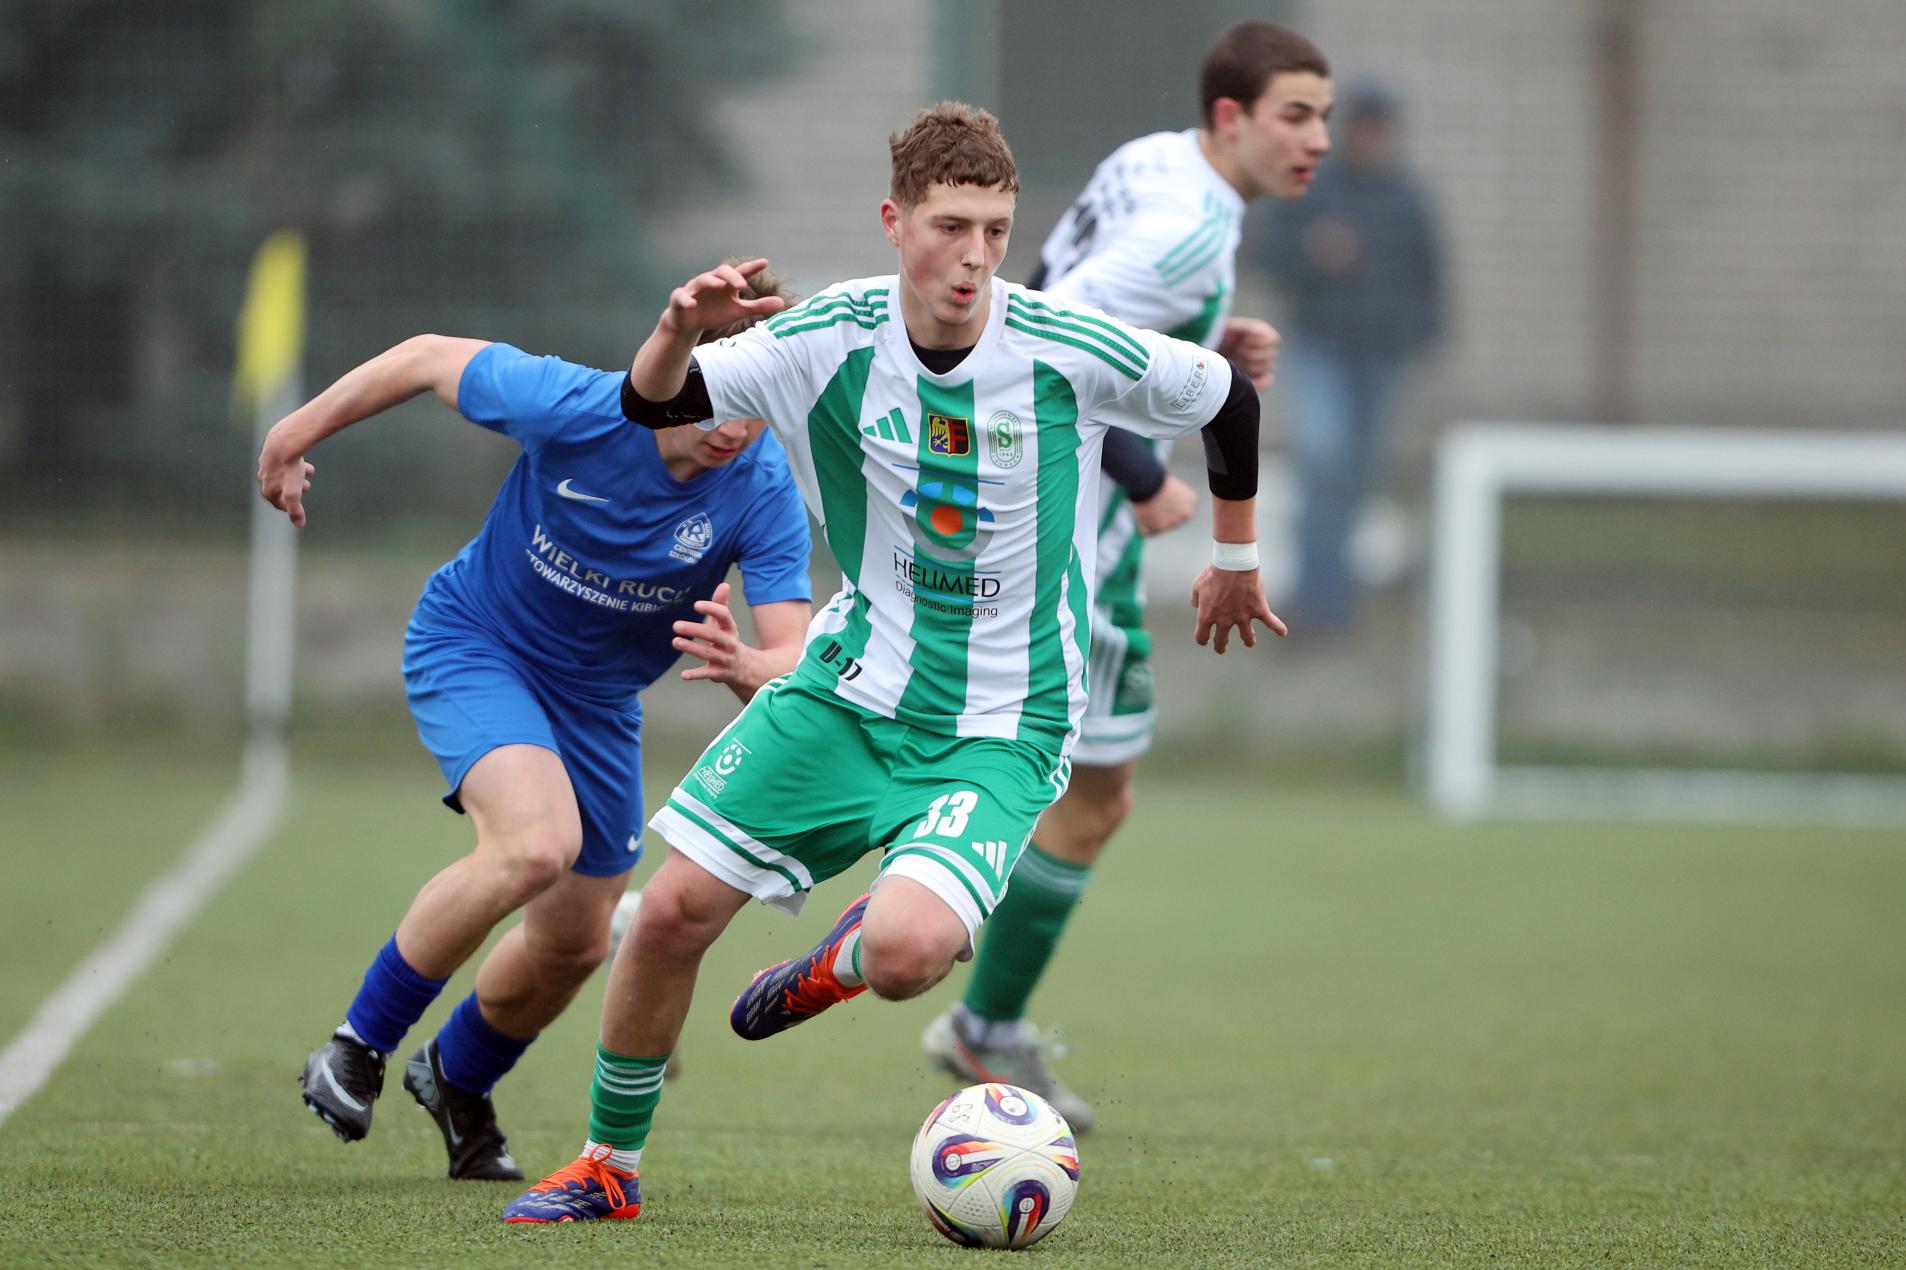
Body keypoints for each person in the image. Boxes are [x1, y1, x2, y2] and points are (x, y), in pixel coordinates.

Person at [501, 101, 1282, 1225]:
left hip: (1005, 722)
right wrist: (678, 325)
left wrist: (1235, 560)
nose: (974, 258)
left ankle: (836, 964)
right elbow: (654, 403)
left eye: (995, 231)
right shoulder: (828, 336)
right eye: (950, 227)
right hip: (849, 689)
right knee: (667, 911)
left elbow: (1227, 398)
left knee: (909, 955)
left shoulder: (1062, 344)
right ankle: (606, 1167)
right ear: (894, 221)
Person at [254, 275, 814, 1182]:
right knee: (533, 845)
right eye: (723, 392)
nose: (735, 426)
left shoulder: (761, 490)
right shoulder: (582, 407)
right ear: (687, 365)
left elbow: (792, 659)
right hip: (480, 645)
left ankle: (456, 1076)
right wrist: (293, 433)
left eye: (758, 404)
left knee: (577, 941)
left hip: (599, 704)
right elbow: (426, 356)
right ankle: (356, 1047)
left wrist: (749, 665)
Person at [919, 20, 1333, 1133]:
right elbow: (1044, 336)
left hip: (1041, 517)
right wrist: (1146, 471)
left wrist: (1204, 338)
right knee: (1081, 791)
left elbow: (1053, 291)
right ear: (1232, 116)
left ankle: (965, 996)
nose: (1319, 140)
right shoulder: (1185, 230)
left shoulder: (1160, 163)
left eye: (1325, 117)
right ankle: (957, 997)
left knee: (1072, 783)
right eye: (1297, 116)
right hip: (1075, 539)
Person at [1258, 82, 1443, 630]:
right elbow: (1266, 252)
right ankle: (1312, 600)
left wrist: (1419, 341)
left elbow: (1430, 279)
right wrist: (1312, 251)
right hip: (1323, 350)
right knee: (1324, 462)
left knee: (1356, 478)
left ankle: (1334, 600)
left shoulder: (1407, 200)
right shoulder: (1314, 189)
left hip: (1380, 358)